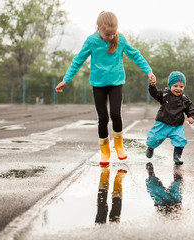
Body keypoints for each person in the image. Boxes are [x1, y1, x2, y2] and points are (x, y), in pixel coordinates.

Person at [55, 11, 156, 165]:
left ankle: (119, 145)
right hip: (98, 85)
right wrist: (66, 80)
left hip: (116, 83)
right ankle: (105, 152)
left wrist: (148, 71)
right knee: (103, 118)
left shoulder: (120, 39)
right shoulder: (91, 41)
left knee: (116, 114)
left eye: (113, 33)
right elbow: (78, 61)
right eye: (107, 34)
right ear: (99, 28)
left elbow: (135, 55)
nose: (110, 37)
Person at [145, 71, 194, 165]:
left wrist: (191, 116)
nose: (178, 89)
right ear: (170, 86)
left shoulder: (184, 99)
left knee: (180, 140)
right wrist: (152, 86)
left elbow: (191, 108)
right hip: (162, 124)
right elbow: (154, 93)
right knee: (153, 138)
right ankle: (151, 147)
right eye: (175, 86)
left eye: (181, 87)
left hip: (176, 126)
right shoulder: (164, 94)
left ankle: (177, 156)